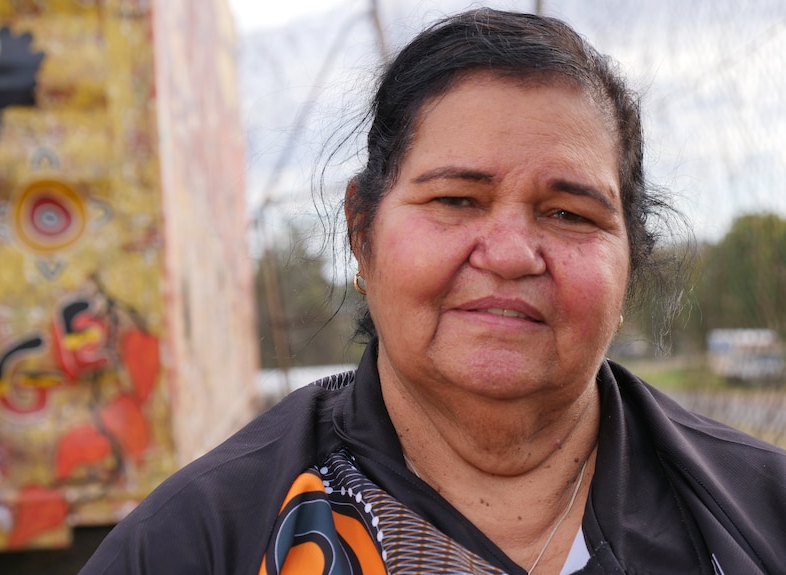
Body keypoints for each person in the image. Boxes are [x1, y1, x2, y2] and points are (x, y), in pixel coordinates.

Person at [81, 9, 786, 575]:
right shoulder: (204, 537)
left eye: (569, 213)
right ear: (363, 234)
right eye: (455, 199)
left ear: (631, 261)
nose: (510, 254)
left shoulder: (758, 513)